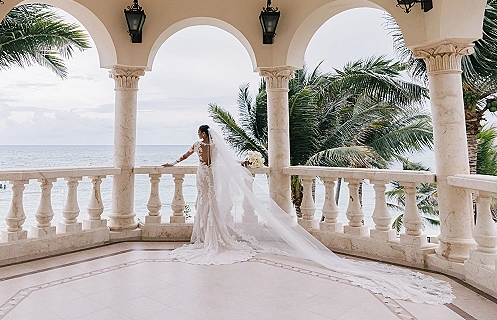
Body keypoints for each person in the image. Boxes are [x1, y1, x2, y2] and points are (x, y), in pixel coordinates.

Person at [163, 125, 454, 305]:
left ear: (202, 134)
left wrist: (170, 164)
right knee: (208, 206)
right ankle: (209, 238)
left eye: (200, 133)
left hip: (204, 179)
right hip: (207, 179)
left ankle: (208, 239)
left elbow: (185, 158)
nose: (200, 136)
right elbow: (223, 163)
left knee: (207, 207)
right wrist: (245, 162)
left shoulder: (201, 146)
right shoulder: (211, 146)